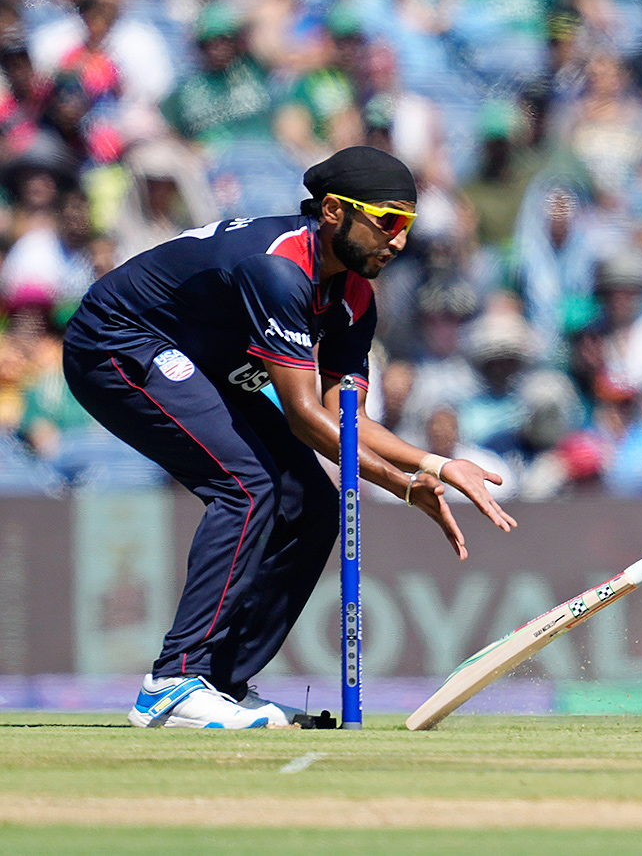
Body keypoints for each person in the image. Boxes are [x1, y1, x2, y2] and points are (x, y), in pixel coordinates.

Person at [61, 146, 517, 730]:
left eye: (408, 225)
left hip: (202, 363)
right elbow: (305, 418)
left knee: (312, 505)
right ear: (332, 212)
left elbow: (346, 419)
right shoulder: (279, 268)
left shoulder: (355, 295)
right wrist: (404, 484)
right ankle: (172, 682)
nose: (399, 241)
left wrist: (438, 463)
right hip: (116, 343)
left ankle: (220, 683)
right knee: (247, 489)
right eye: (387, 222)